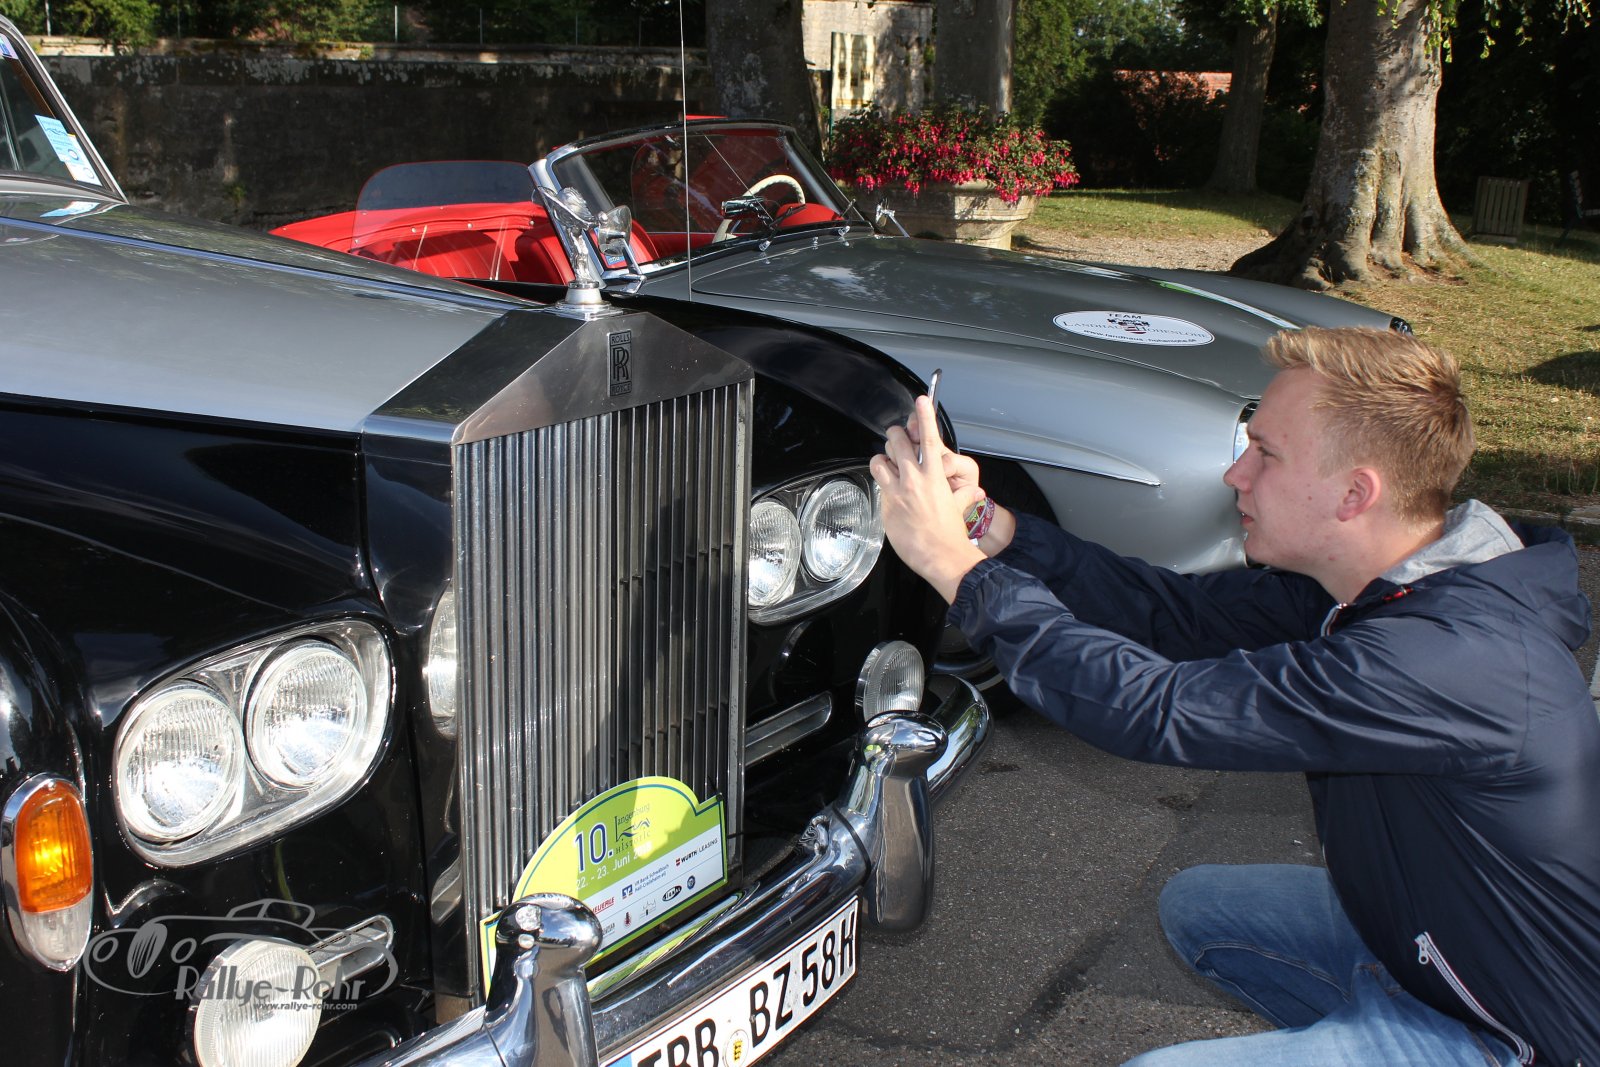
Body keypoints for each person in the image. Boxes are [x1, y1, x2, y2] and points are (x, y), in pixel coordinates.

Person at [869, 327, 1600, 1065]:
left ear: (1355, 493)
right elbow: (1178, 617)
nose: (1235, 474)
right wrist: (985, 526)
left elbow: (1157, 709)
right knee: (1202, 907)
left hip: (1518, 1032)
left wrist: (955, 569)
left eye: (1266, 454)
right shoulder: (1393, 585)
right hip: (1439, 943)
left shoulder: (1446, 658)